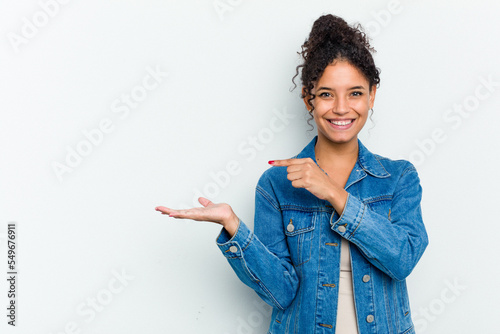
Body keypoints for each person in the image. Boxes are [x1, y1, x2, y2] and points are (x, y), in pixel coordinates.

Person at [155, 14, 428, 334]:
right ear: (307, 98)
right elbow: (281, 292)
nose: (341, 107)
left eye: (354, 93)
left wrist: (333, 193)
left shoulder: (398, 178)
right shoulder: (276, 185)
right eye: (327, 94)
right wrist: (233, 227)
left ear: (372, 95)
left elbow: (403, 259)